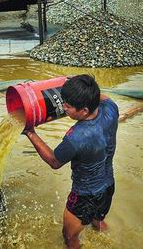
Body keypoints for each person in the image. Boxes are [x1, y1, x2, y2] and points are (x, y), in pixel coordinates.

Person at [23, 74, 118, 249]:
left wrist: (30, 132)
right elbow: (102, 97)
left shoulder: (77, 137)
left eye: (68, 106)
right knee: (98, 222)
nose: (64, 107)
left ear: (84, 111)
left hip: (85, 196)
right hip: (108, 186)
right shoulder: (111, 109)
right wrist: (79, 86)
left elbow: (54, 161)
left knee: (69, 237)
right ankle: (105, 238)